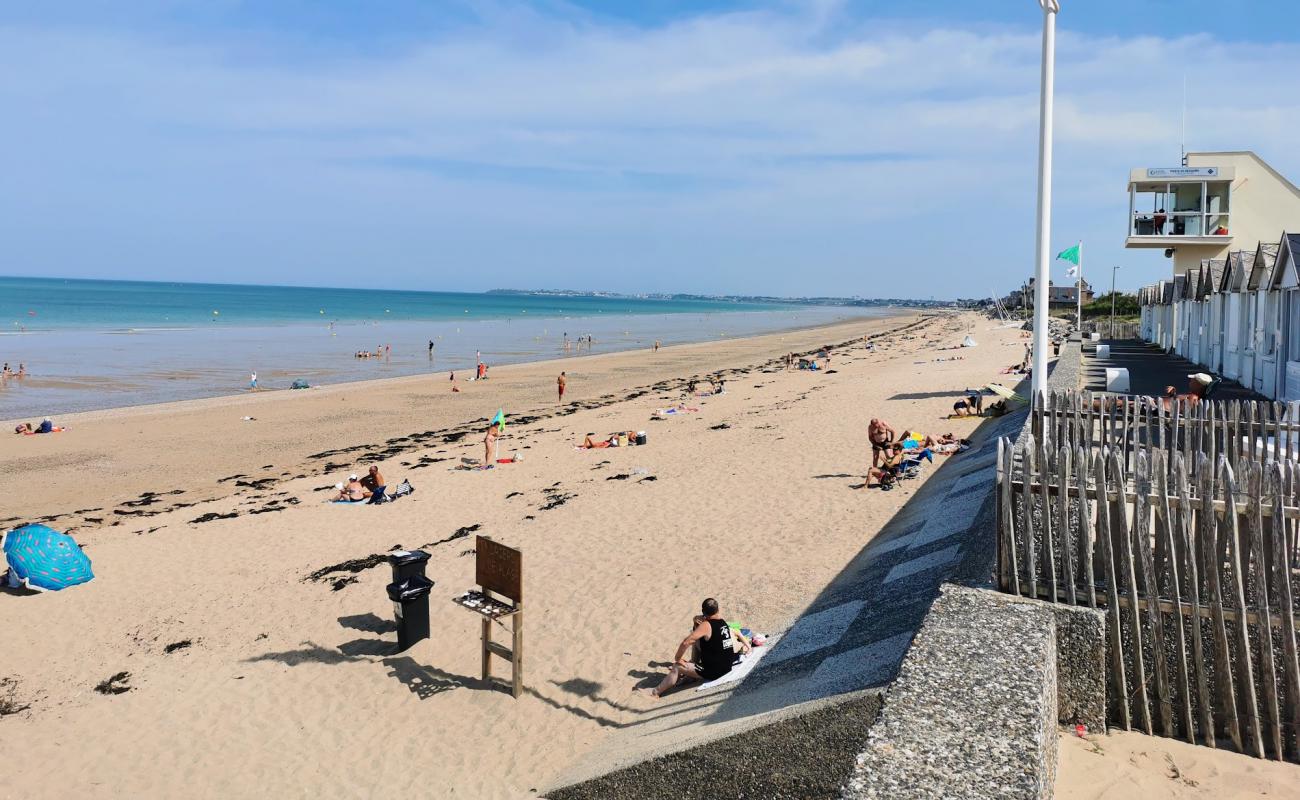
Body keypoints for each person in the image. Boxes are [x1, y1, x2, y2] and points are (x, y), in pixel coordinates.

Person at [649, 598, 749, 698]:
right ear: (718, 610)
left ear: (703, 612)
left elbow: (686, 642)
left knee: (677, 666)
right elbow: (699, 637)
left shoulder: (706, 625)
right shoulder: (723, 622)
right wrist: (696, 621)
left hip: (715, 671)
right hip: (727, 666)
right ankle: (691, 674)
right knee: (697, 641)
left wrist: (678, 659)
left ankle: (655, 693)